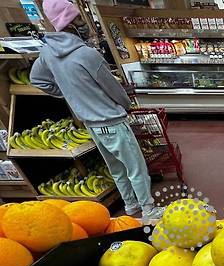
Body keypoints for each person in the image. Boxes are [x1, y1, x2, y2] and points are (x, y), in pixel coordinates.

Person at [30, 0, 163, 220]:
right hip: (112, 121)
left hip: (91, 125)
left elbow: (38, 79)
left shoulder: (48, 53)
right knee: (136, 168)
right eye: (79, 18)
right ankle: (149, 208)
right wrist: (126, 105)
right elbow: (113, 89)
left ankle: (130, 208)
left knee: (117, 170)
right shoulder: (86, 54)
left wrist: (68, 93)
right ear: (70, 22)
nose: (83, 23)